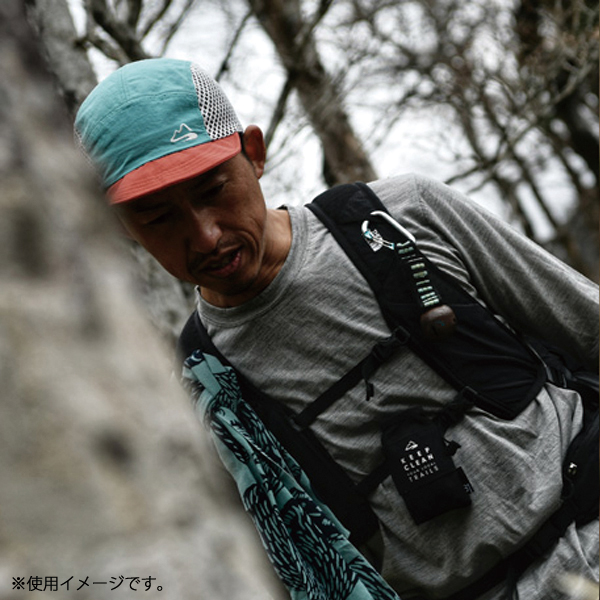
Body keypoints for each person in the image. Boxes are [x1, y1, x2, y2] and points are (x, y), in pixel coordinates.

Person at [75, 57, 599, 600]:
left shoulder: (400, 217)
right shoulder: (206, 388)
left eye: (212, 190)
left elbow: (588, 325)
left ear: (253, 153)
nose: (206, 236)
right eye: (159, 217)